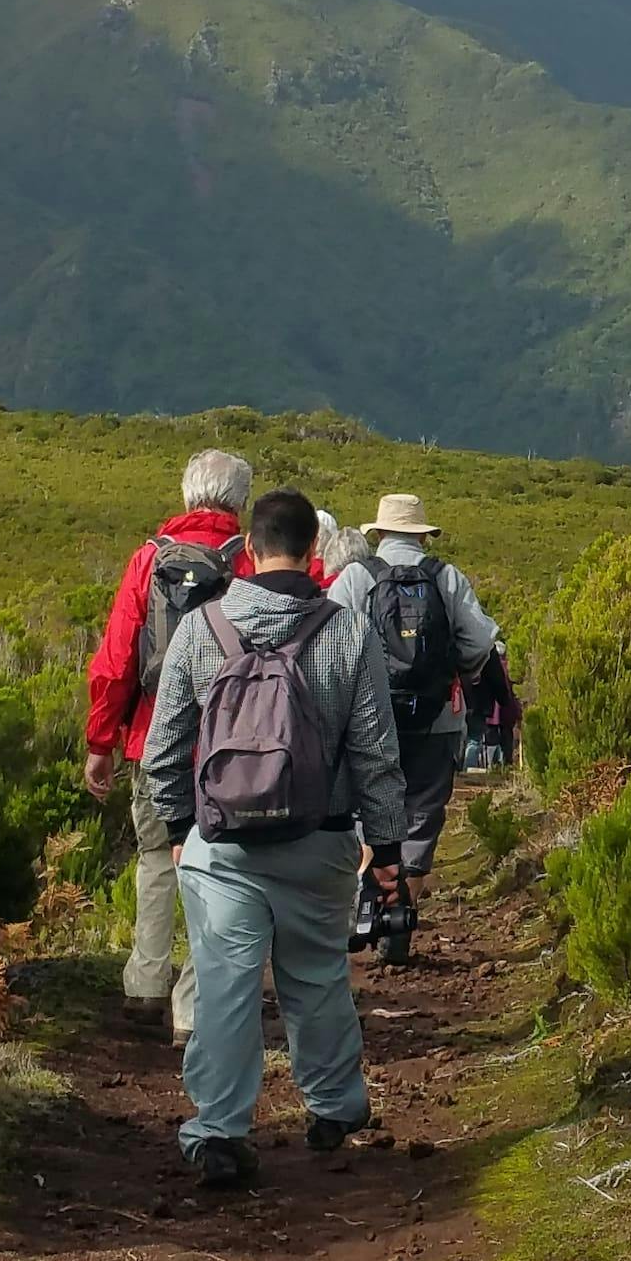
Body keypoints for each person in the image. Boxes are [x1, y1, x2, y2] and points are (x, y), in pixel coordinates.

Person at [140, 487, 412, 1188]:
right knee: (317, 976)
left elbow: (165, 750)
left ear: (250, 550)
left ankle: (219, 1130)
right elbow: (377, 754)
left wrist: (178, 827)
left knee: (226, 988)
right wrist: (385, 851)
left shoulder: (202, 628)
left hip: (221, 847)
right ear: (314, 552)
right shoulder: (348, 631)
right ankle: (335, 1107)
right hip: (318, 842)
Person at [81, 448, 262, 1043]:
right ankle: (193, 1004)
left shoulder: (148, 561)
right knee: (221, 870)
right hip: (234, 740)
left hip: (152, 736)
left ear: (187, 494)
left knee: (155, 859)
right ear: (239, 500)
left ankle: (144, 982)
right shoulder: (251, 560)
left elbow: (115, 660)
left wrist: (101, 741)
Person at [347, 492, 512, 963]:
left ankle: (365, 900)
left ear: (377, 533)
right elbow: (481, 642)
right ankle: (399, 923)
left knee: (365, 807)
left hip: (369, 721)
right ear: (423, 534)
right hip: (437, 719)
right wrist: (452, 671)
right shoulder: (447, 579)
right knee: (421, 815)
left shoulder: (358, 578)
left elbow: (329, 641)